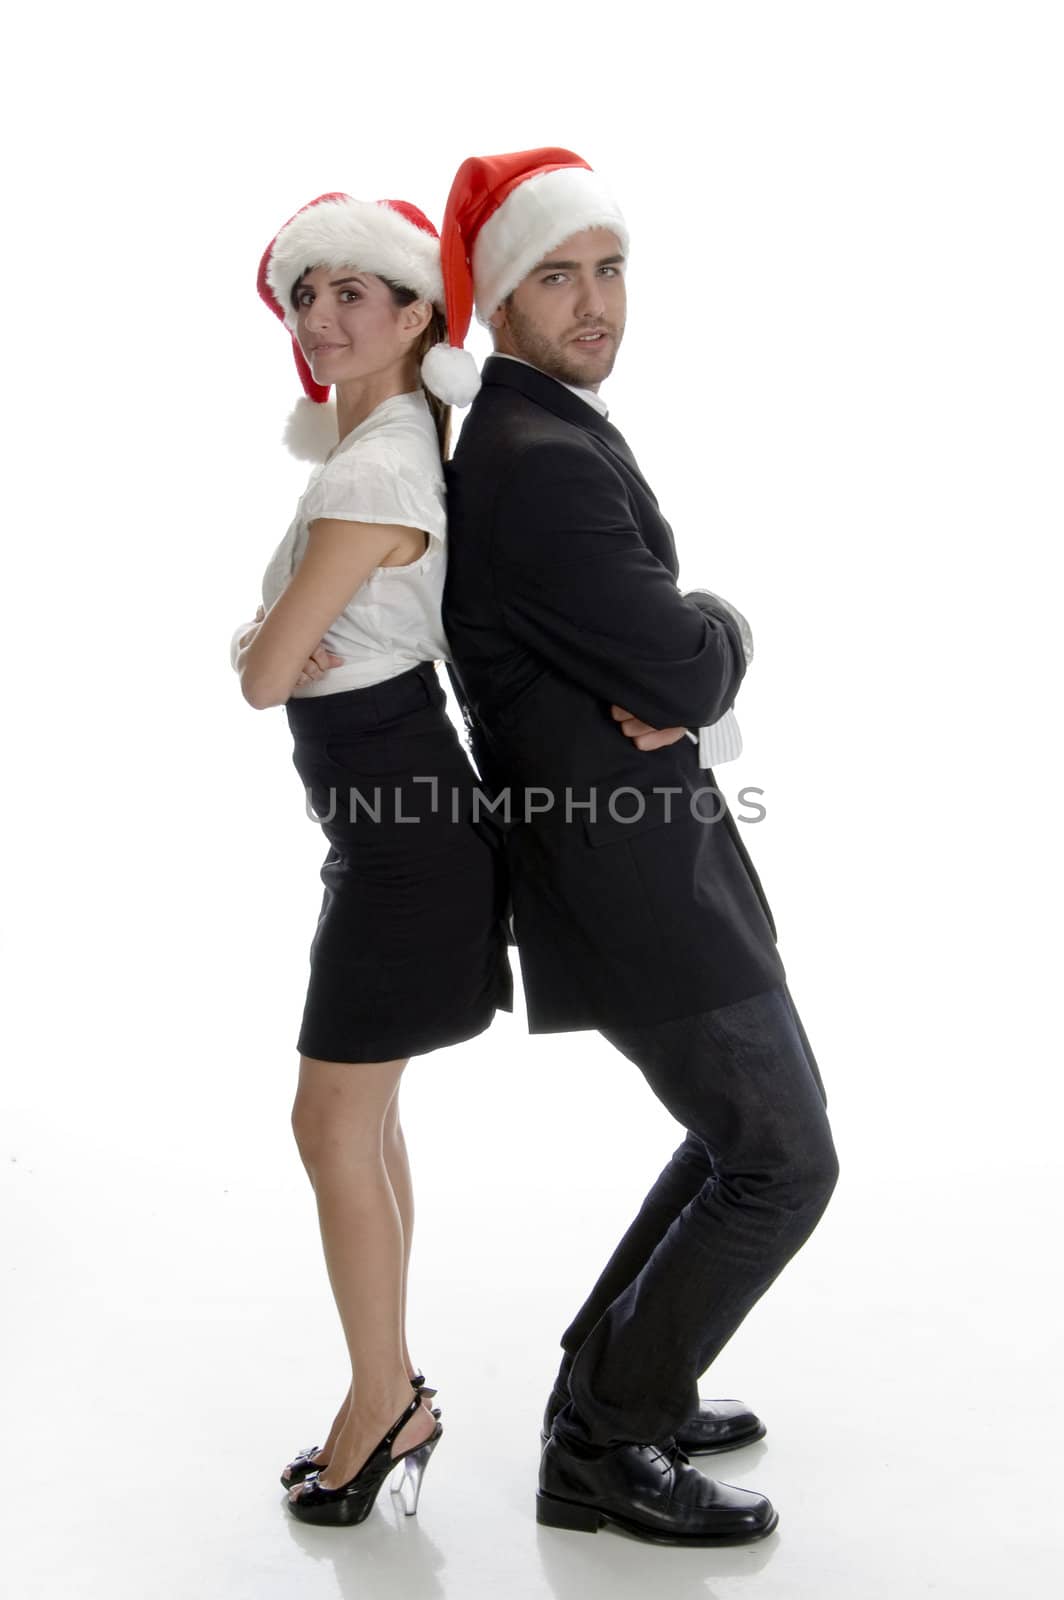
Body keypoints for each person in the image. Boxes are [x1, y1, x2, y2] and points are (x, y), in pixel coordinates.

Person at [436, 148, 840, 1546]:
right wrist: (721, 624)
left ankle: (616, 1386)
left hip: (651, 854)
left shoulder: (541, 422)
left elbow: (661, 678)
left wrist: (684, 668)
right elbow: (676, 667)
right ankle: (602, 1451)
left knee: (741, 1135)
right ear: (499, 297)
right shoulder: (535, 459)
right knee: (784, 1160)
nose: (597, 303)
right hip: (624, 870)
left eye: (610, 270)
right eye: (559, 275)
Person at [229, 191, 513, 1528]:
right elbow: (277, 652)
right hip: (389, 826)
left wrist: (268, 644)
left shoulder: (377, 469)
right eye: (305, 296)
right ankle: (389, 1387)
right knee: (364, 1120)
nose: (323, 319)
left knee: (328, 1122)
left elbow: (265, 670)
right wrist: (274, 642)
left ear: (416, 314)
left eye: (357, 294)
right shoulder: (376, 450)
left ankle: (378, 1402)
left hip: (406, 836)